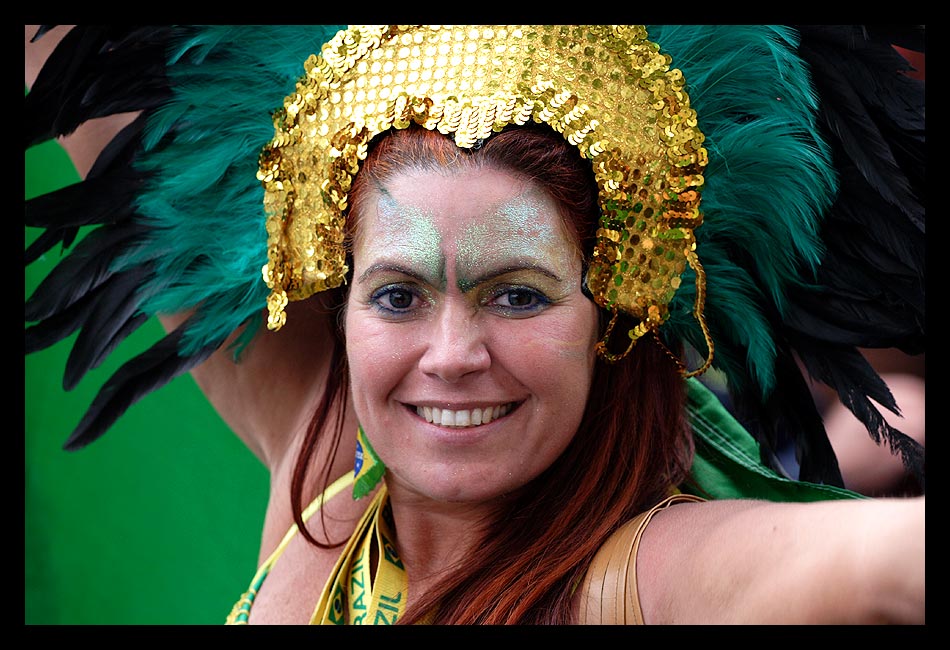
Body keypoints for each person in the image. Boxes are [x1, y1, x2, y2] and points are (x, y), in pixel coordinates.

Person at [25, 25, 925, 625]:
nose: (451, 357)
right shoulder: (327, 463)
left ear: (607, 315)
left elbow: (873, 563)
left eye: (519, 295)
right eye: (398, 296)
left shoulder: (632, 579)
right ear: (339, 310)